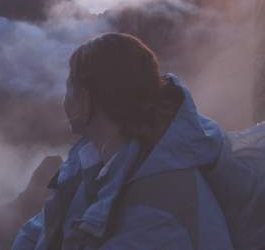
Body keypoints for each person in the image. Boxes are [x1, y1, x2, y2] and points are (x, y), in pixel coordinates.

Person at [12, 32, 235, 250]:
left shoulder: (159, 208)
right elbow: (40, 230)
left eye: (69, 85)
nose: (64, 97)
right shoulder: (92, 165)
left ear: (87, 96)